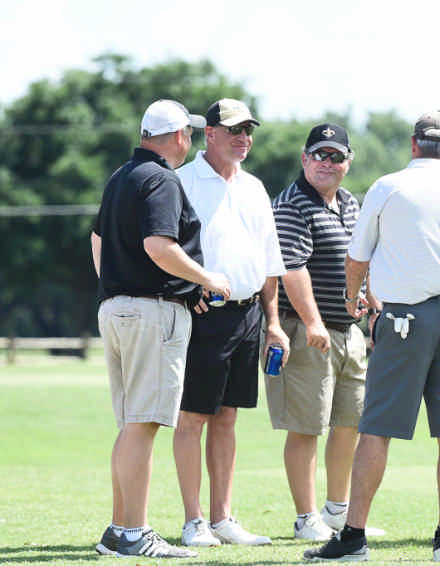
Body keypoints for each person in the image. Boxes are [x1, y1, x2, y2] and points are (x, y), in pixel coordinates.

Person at [304, 110, 440, 563]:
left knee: (376, 429)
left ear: (413, 144)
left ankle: (353, 538)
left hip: (404, 320)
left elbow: (356, 258)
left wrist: (352, 298)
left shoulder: (387, 188)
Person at [91, 99, 231, 558]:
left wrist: (116, 284)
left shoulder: (121, 176)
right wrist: (208, 278)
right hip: (151, 312)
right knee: (144, 423)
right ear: (178, 136)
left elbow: (96, 238)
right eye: (188, 133)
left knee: (131, 425)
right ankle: (135, 532)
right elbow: (158, 245)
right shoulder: (162, 178)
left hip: (118, 309)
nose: (190, 140)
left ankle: (119, 530)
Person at [172, 98, 288, 547]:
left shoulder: (254, 187)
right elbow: (164, 247)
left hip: (248, 314)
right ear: (210, 133)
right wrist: (186, 290)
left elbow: (270, 264)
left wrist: (273, 323)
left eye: (248, 130)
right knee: (193, 417)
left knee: (227, 417)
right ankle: (194, 521)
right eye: (234, 130)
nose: (244, 138)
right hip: (203, 316)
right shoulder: (182, 181)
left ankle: (222, 518)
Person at [269, 123, 385, 541]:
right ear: (305, 158)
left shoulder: (350, 202)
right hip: (307, 331)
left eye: (336, 156)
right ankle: (306, 518)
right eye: (319, 154)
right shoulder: (291, 204)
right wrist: (313, 321)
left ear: (347, 163)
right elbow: (291, 268)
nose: (327, 163)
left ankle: (337, 511)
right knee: (306, 427)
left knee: (350, 423)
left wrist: (372, 302)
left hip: (349, 331)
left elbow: (361, 260)